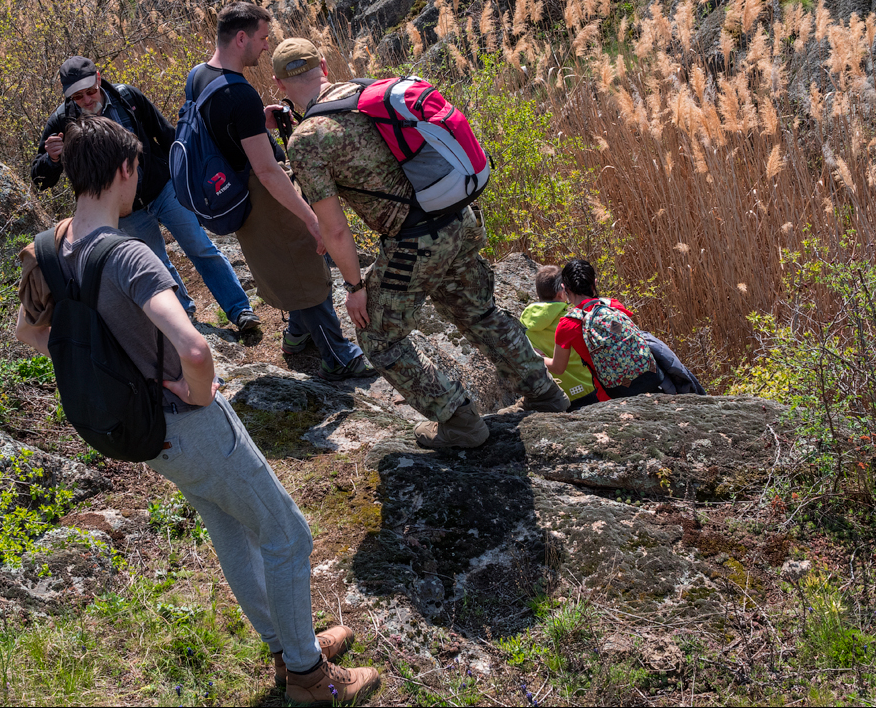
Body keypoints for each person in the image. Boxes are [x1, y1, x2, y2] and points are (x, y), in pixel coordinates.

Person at [14, 115, 380, 705]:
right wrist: (201, 391)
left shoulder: (49, 248)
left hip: (141, 432)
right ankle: (310, 679)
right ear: (126, 169)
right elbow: (193, 347)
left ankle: (287, 646)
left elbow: (31, 335)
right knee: (289, 536)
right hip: (190, 423)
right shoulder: (131, 257)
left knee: (228, 526)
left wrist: (118, 368)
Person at [272, 37, 569, 450]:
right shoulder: (369, 93)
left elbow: (335, 230)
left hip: (416, 241)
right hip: (462, 219)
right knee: (478, 312)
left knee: (379, 337)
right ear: (323, 65)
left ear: (279, 84)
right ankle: (546, 394)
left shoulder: (307, 140)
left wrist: (356, 288)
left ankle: (461, 421)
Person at [187, 3, 370, 380]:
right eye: (262, 38)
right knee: (304, 267)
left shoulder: (201, 76)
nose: (266, 46)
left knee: (285, 267)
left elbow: (224, 133)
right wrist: (311, 217)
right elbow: (268, 171)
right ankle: (338, 355)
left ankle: (298, 334)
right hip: (264, 198)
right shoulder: (238, 94)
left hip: (234, 193)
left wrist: (258, 123)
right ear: (241, 38)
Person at [30, 56, 260, 331]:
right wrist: (53, 159)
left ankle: (239, 310)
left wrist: (188, 176)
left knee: (200, 247)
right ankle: (186, 319)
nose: (87, 100)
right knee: (157, 264)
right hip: (124, 210)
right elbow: (40, 179)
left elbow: (165, 134)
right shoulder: (62, 121)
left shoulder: (127, 97)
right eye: (78, 96)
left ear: (99, 78)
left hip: (163, 188)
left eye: (90, 91)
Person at [546, 258, 662, 401]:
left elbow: (558, 368)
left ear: (565, 289)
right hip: (648, 380)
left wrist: (536, 356)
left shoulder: (567, 325)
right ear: (594, 283)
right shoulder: (612, 305)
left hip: (611, 395)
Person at [519, 265, 599, 410]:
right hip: (588, 390)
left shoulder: (524, 323)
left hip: (555, 396)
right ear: (561, 293)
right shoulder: (572, 320)